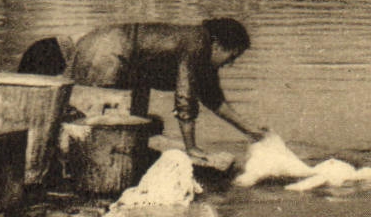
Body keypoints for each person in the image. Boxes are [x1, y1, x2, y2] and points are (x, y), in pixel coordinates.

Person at [67, 17, 265, 159]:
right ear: (217, 45)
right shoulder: (196, 46)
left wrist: (251, 131)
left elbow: (215, 100)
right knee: (99, 121)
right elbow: (184, 98)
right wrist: (191, 148)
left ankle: (124, 152)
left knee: (128, 112)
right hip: (106, 54)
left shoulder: (201, 46)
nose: (228, 64)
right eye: (231, 57)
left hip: (106, 47)